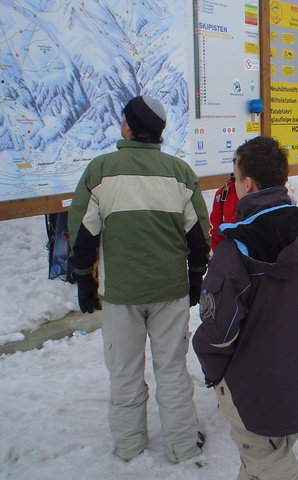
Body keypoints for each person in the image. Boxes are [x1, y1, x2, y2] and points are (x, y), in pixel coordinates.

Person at [67, 95, 211, 463]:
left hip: (120, 293)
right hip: (170, 290)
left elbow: (82, 232)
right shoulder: (180, 173)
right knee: (172, 369)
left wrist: (84, 278)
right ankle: (182, 445)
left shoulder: (101, 170)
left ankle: (130, 445)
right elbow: (199, 235)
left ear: (129, 128)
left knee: (124, 371)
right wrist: (196, 276)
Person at [192, 136, 298, 480]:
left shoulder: (234, 250)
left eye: (234, 177)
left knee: (271, 464)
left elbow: (217, 334)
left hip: (250, 388)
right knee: (264, 459)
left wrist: (214, 373)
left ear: (248, 183)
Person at [209, 173, 239, 251]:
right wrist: (218, 252)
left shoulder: (258, 191)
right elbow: (216, 225)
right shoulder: (223, 193)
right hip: (230, 251)